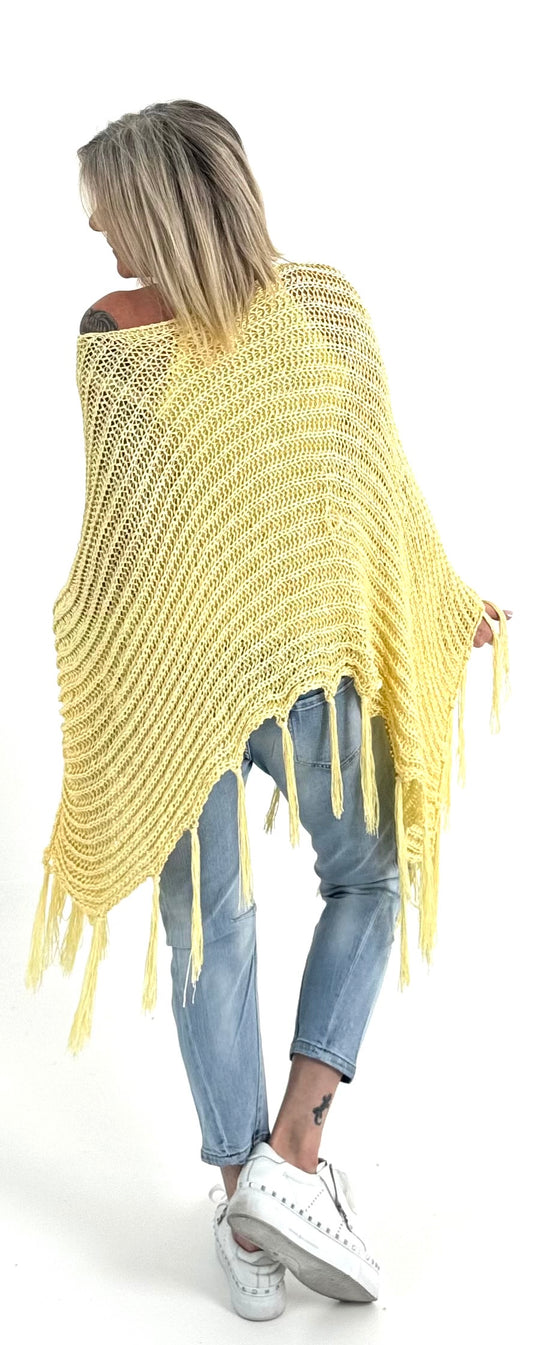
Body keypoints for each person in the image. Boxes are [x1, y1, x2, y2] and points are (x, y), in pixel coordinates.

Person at [78, 100, 512, 1319]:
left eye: (107, 206)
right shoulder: (287, 310)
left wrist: (437, 598)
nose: (98, 229)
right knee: (337, 885)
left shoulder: (133, 329)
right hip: (259, 666)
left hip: (198, 671)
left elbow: (370, 484)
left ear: (158, 201)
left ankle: (260, 1184)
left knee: (230, 922)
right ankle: (280, 1170)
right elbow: (150, 522)